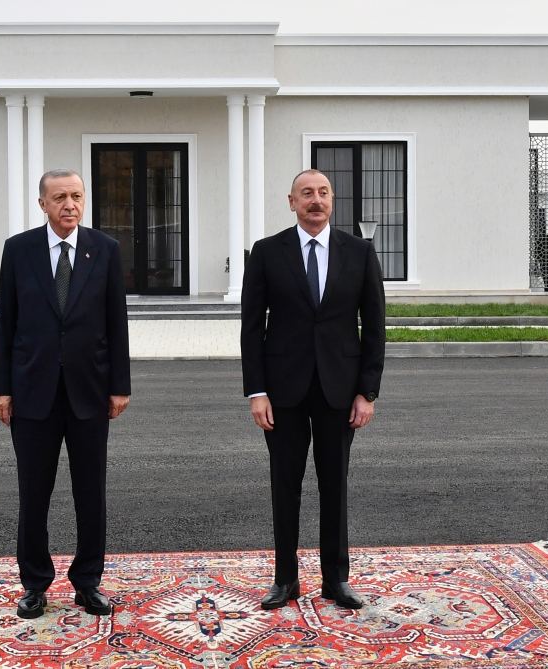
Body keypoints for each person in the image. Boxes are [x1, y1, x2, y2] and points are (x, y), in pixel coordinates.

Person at [240, 169, 385, 611]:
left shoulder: (359, 253)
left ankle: (335, 581)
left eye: (323, 193)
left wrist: (367, 392)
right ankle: (285, 580)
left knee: (333, 486)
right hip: (281, 393)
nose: (315, 200)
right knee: (285, 486)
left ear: (333, 200)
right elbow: (251, 328)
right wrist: (256, 391)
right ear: (291, 201)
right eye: (307, 194)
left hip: (339, 393)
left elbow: (375, 327)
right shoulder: (266, 253)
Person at [0, 169, 131, 619]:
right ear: (43, 204)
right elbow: (6, 324)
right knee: (34, 494)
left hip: (90, 393)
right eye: (60, 197)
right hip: (33, 395)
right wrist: (1, 388)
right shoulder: (19, 251)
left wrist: (120, 385)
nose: (69, 204)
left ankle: (88, 581)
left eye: (76, 196)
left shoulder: (104, 250)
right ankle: (34, 584)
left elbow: (116, 323)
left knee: (92, 494)